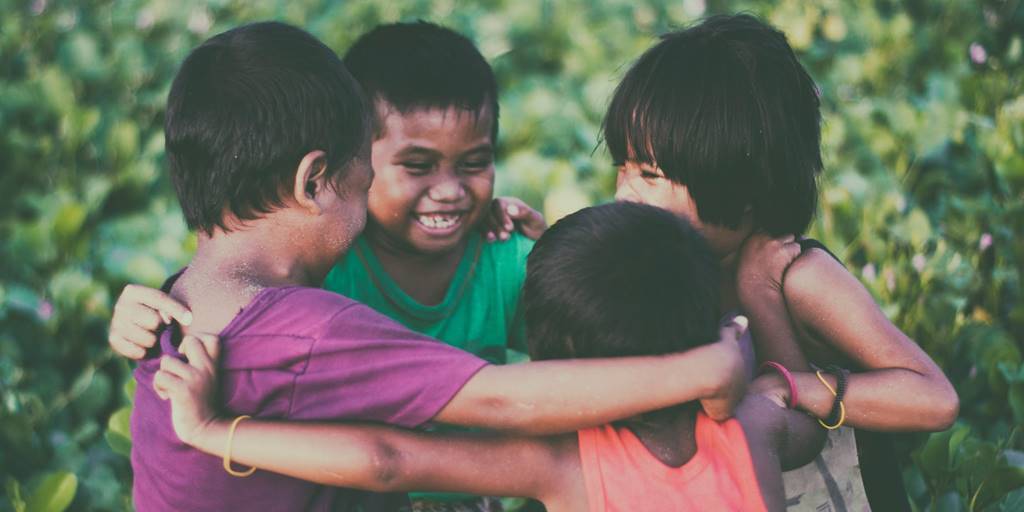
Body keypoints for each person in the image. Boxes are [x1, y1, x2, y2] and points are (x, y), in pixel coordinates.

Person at [128, 20, 755, 512]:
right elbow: (494, 406)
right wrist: (702, 367)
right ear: (315, 181)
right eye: (363, 175)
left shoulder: (177, 300)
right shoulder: (307, 329)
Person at [153, 202, 823, 512]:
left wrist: (213, 431)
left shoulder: (561, 466)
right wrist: (750, 322)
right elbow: (798, 411)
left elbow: (386, 461)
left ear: (550, 357)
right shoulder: (755, 427)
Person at [602, 14, 959, 510]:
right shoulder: (667, 266)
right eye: (622, 167)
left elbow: (934, 399)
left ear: (741, 188)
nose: (625, 194)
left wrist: (798, 386)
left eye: (650, 173)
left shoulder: (802, 277)